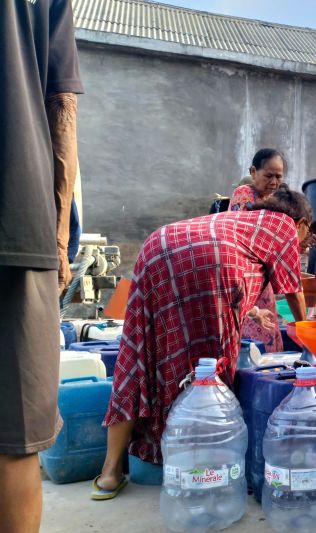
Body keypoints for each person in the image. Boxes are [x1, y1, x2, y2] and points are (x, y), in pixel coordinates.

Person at [92, 186, 313, 499]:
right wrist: (307, 334)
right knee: (210, 370)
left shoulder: (239, 220)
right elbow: (293, 290)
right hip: (207, 268)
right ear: (302, 223)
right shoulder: (284, 226)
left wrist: (250, 309)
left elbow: (221, 257)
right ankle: (205, 475)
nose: (303, 244)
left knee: (139, 356)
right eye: (306, 236)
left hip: (158, 245)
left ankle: (110, 474)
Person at [1, 1, 83, 531]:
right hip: (19, 215)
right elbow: (62, 110)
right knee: (13, 438)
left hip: (22, 230)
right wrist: (57, 245)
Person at [230, 149, 288, 351]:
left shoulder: (271, 199)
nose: (274, 181)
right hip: (244, 275)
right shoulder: (244, 194)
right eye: (269, 175)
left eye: (279, 176)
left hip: (262, 280)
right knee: (248, 341)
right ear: (253, 172)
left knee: (268, 331)